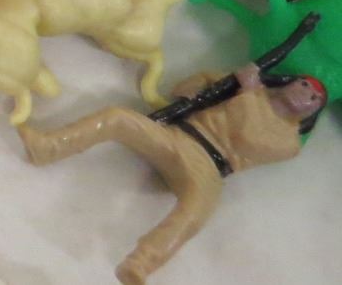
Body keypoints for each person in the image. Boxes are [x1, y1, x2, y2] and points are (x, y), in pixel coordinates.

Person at [18, 60, 326, 284]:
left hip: (210, 168)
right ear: (290, 82)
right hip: (179, 136)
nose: (305, 95)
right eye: (304, 85)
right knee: (118, 118)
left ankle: (141, 264)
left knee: (196, 213)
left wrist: (249, 90)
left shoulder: (289, 143)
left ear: (311, 114)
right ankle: (49, 147)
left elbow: (250, 138)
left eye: (314, 99)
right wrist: (202, 89)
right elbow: (189, 86)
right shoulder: (244, 88)